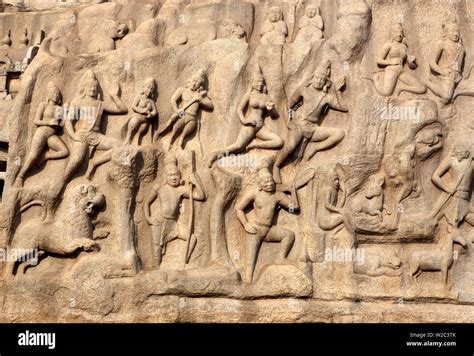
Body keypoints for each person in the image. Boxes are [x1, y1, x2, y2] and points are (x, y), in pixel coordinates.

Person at [53, 70, 127, 194]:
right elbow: (69, 121)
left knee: (118, 145)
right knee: (76, 160)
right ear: (84, 88)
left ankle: (95, 163)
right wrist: (74, 136)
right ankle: (62, 182)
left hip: (97, 136)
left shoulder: (100, 104)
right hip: (82, 136)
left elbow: (122, 109)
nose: (92, 89)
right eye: (90, 87)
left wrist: (114, 96)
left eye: (95, 87)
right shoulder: (78, 102)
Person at [273, 61, 348, 183]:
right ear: (312, 77)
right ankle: (277, 165)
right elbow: (289, 105)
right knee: (290, 147)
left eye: (322, 80)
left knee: (339, 134)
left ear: (325, 82)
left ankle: (315, 148)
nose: (318, 81)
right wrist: (289, 121)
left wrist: (338, 91)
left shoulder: (325, 97)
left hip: (313, 129)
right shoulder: (303, 90)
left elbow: (344, 108)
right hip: (300, 126)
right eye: (317, 78)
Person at [235, 164, 298, 283]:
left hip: (269, 230)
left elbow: (293, 208)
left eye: (271, 182)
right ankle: (247, 284)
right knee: (250, 261)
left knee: (289, 235)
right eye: (266, 182)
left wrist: (292, 191)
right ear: (259, 184)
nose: (269, 184)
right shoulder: (254, 193)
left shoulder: (277, 196)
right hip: (256, 230)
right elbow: (238, 208)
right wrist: (246, 224)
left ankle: (281, 258)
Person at [207, 75, 282, 167]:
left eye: (262, 82)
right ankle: (214, 155)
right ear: (252, 83)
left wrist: (271, 110)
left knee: (279, 141)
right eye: (257, 81)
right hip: (250, 125)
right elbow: (239, 109)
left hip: (260, 127)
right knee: (238, 146)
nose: (260, 84)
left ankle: (255, 145)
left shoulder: (266, 97)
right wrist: (245, 121)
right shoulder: (249, 95)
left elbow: (274, 116)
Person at [143, 157, 206, 267]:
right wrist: (149, 218)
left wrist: (196, 182)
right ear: (166, 177)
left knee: (192, 238)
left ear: (180, 176)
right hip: (159, 222)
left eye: (176, 175)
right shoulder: (159, 187)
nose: (173, 178)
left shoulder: (181, 190)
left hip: (173, 224)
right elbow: (146, 203)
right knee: (156, 251)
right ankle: (156, 271)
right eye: (170, 175)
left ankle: (184, 262)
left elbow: (200, 196)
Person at [15, 82, 69, 187]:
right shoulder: (43, 105)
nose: (56, 95)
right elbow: (36, 121)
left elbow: (61, 124)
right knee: (33, 155)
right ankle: (20, 177)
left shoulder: (59, 109)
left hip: (52, 135)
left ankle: (46, 156)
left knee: (65, 151)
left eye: (57, 94)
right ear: (48, 94)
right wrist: (48, 122)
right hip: (42, 132)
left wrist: (66, 113)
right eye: (54, 93)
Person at [160, 68, 213, 149]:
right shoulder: (183, 90)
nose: (194, 84)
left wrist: (201, 101)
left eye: (197, 83)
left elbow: (210, 106)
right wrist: (176, 109)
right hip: (183, 113)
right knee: (177, 126)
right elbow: (173, 99)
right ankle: (170, 140)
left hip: (192, 118)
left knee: (188, 129)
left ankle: (181, 141)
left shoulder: (199, 95)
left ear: (200, 85)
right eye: (193, 81)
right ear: (189, 81)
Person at [371, 23, 426, 97]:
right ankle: (375, 79)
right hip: (391, 69)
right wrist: (391, 62)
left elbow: (411, 66)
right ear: (392, 34)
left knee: (422, 88)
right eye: (396, 32)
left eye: (401, 33)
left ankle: (402, 88)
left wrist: (411, 62)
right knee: (386, 93)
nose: (399, 35)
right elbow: (379, 60)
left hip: (401, 70)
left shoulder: (404, 47)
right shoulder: (388, 45)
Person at [431, 143, 474, 233]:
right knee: (448, 224)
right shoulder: (450, 160)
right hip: (453, 197)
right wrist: (447, 188)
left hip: (465, 199)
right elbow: (435, 176)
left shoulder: (471, 163)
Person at [425, 22, 465, 105]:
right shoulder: (441, 43)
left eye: (457, 31)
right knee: (446, 96)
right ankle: (427, 83)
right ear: (446, 32)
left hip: (457, 76)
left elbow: (459, 64)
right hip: (446, 75)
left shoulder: (461, 48)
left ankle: (457, 92)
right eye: (452, 31)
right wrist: (442, 71)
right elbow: (432, 62)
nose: (455, 34)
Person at [121, 78, 157, 145]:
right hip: (137, 116)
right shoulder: (139, 97)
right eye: (148, 87)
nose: (149, 90)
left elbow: (155, 111)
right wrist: (142, 110)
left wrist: (151, 114)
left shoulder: (151, 101)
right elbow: (133, 106)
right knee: (134, 122)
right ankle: (128, 139)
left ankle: (137, 142)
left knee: (143, 129)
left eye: (151, 89)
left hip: (146, 120)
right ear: (144, 87)